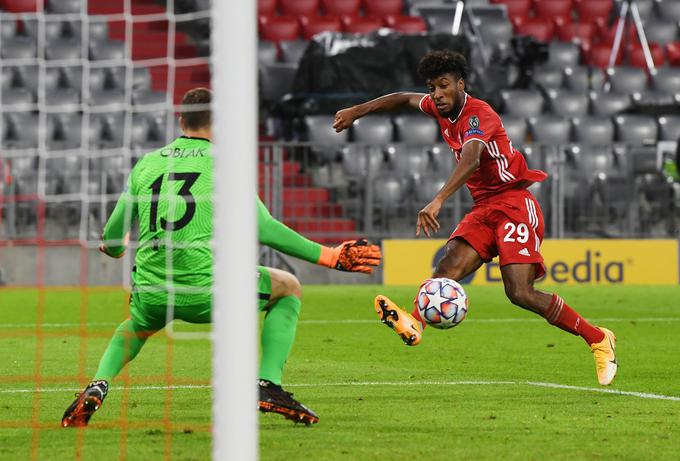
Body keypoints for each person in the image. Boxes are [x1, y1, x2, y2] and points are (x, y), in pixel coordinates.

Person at [61, 88, 382, 428]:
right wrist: (330, 256)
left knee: (136, 327)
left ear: (180, 119)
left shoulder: (147, 164)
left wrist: (118, 247)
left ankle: (99, 382)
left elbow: (112, 240)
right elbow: (264, 228)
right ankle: (267, 385)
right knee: (287, 287)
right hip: (208, 294)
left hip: (152, 290)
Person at [332, 50, 617, 386]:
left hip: (513, 204)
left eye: (444, 86)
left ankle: (598, 339)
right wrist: (357, 111)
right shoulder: (439, 107)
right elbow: (403, 99)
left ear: (461, 84)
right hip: (484, 208)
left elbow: (471, 158)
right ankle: (414, 324)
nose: (437, 94)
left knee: (520, 293)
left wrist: (438, 199)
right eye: (433, 87)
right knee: (447, 269)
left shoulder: (478, 115)